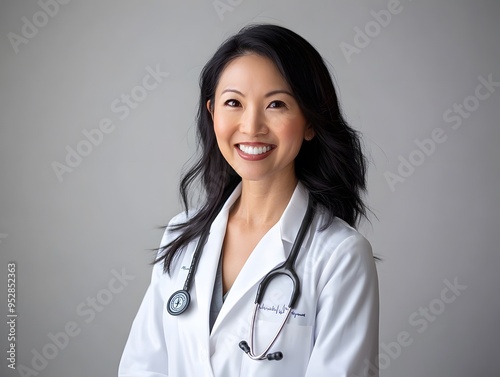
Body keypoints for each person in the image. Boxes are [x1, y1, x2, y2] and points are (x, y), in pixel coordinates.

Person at [119, 24, 379, 377]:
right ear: (212, 114)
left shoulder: (340, 256)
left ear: (310, 122)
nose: (251, 125)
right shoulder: (183, 237)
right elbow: (141, 368)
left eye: (276, 104)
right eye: (233, 103)